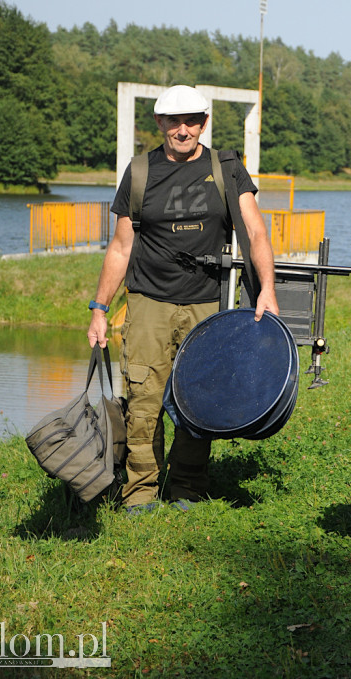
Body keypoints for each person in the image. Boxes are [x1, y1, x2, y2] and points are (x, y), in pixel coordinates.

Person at [86, 85, 279, 514]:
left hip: (207, 304)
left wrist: (267, 288)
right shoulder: (139, 173)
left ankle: (187, 489)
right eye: (174, 121)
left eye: (192, 120)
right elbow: (120, 247)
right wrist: (100, 308)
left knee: (198, 397)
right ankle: (140, 494)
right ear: (159, 124)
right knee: (143, 399)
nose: (183, 129)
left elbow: (255, 231)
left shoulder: (226, 169)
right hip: (148, 302)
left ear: (204, 123)